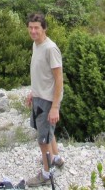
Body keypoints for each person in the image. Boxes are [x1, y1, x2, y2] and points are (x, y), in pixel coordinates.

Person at [25, 13, 64, 187]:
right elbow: (41, 73)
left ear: (44, 29)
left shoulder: (50, 48)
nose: (33, 31)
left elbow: (58, 79)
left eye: (37, 28)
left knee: (43, 140)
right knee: (47, 131)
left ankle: (46, 174)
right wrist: (33, 92)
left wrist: (55, 106)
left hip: (48, 101)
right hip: (39, 97)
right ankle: (56, 158)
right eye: (31, 27)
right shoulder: (36, 45)